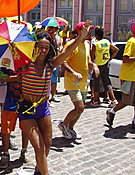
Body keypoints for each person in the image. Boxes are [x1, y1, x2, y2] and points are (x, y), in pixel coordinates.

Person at [15, 22, 92, 175]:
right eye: (40, 46)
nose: (43, 50)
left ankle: (39, 170)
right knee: (39, 147)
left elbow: (66, 53)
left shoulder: (50, 65)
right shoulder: (26, 64)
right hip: (27, 109)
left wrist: (79, 38)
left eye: (46, 47)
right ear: (34, 47)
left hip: (43, 108)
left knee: (48, 143)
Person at [106, 20, 135, 132]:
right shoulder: (132, 41)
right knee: (126, 101)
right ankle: (112, 111)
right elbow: (125, 59)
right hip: (128, 77)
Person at [58, 22, 99, 140]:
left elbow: (87, 61)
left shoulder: (86, 44)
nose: (90, 33)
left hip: (83, 82)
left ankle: (70, 128)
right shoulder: (71, 44)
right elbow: (63, 61)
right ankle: (64, 124)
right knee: (79, 107)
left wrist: (94, 65)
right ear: (80, 32)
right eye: (88, 30)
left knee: (80, 110)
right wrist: (73, 72)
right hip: (72, 82)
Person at [90, 26, 119, 108]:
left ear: (96, 35)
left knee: (96, 83)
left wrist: (93, 66)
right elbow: (116, 49)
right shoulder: (106, 41)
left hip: (98, 65)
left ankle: (96, 100)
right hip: (106, 64)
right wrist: (111, 58)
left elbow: (92, 57)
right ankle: (113, 99)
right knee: (106, 82)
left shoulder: (95, 44)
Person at [45, 24, 62, 103]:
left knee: (54, 79)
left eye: (55, 28)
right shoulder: (47, 36)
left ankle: (53, 95)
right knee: (48, 79)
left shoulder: (58, 38)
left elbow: (60, 46)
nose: (53, 30)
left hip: (56, 58)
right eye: (52, 28)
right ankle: (46, 97)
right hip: (48, 60)